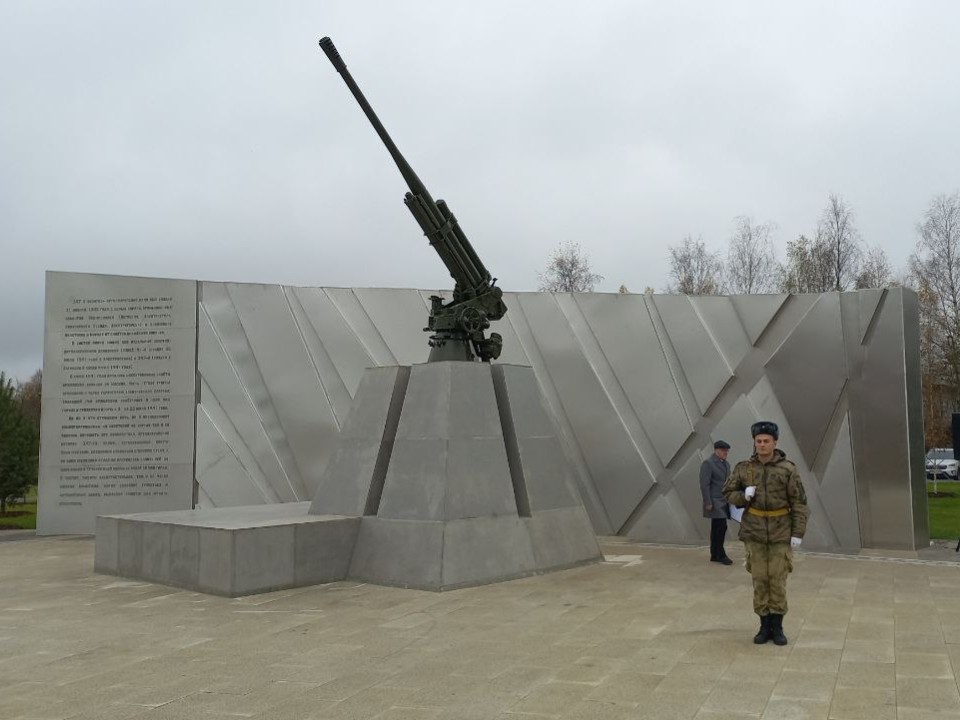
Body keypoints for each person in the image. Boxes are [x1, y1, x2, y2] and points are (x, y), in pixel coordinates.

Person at [723, 421, 808, 646]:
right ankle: (764, 626)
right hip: (754, 532)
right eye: (758, 441)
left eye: (766, 441)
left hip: (781, 531)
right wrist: (744, 496)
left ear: (775, 442)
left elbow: (799, 502)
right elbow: (728, 493)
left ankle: (778, 627)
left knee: (777, 580)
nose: (762, 444)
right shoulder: (743, 468)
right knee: (760, 579)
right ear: (754, 442)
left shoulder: (787, 469)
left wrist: (797, 532)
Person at [700, 440, 732, 565]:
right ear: (716, 450)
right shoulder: (708, 463)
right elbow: (704, 484)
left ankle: (714, 553)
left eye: (727, 451)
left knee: (717, 528)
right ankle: (720, 553)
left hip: (724, 500)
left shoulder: (726, 464)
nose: (726, 453)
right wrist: (707, 501)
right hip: (714, 500)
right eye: (724, 451)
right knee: (721, 526)